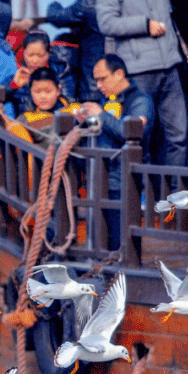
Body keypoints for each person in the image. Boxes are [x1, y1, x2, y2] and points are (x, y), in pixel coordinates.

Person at [96, 0, 188, 167]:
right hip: (139, 69)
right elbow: (107, 23)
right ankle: (144, 192)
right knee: (141, 138)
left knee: (178, 137)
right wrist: (144, 25)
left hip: (169, 64)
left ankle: (176, 192)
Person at [75, 54, 155, 250]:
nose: (99, 85)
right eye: (96, 80)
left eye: (102, 78)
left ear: (119, 74)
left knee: (120, 240)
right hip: (102, 177)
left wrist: (99, 115)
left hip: (125, 180)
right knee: (102, 238)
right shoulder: (107, 101)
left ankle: (121, 275)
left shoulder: (140, 101)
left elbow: (131, 133)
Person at [46, 0, 103, 102]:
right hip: (119, 77)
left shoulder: (90, 0)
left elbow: (57, 17)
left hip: (92, 84)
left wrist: (53, 5)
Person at [6, 31, 77, 117]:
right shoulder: (19, 75)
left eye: (40, 55)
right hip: (27, 123)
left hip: (58, 120)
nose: (35, 60)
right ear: (23, 53)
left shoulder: (60, 71)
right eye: (30, 55)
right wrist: (13, 85)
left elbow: (69, 100)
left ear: (48, 53)